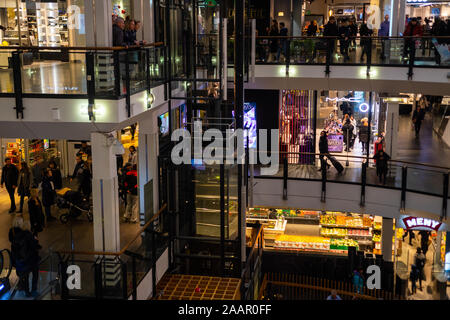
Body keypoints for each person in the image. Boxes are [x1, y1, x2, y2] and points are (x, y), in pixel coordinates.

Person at [9, 216, 40, 298]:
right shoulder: (28, 235)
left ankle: (26, 291)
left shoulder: (14, 235)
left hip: (20, 260)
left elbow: (14, 247)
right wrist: (36, 240)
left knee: (24, 276)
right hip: (30, 260)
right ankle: (33, 290)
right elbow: (34, 246)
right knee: (35, 274)